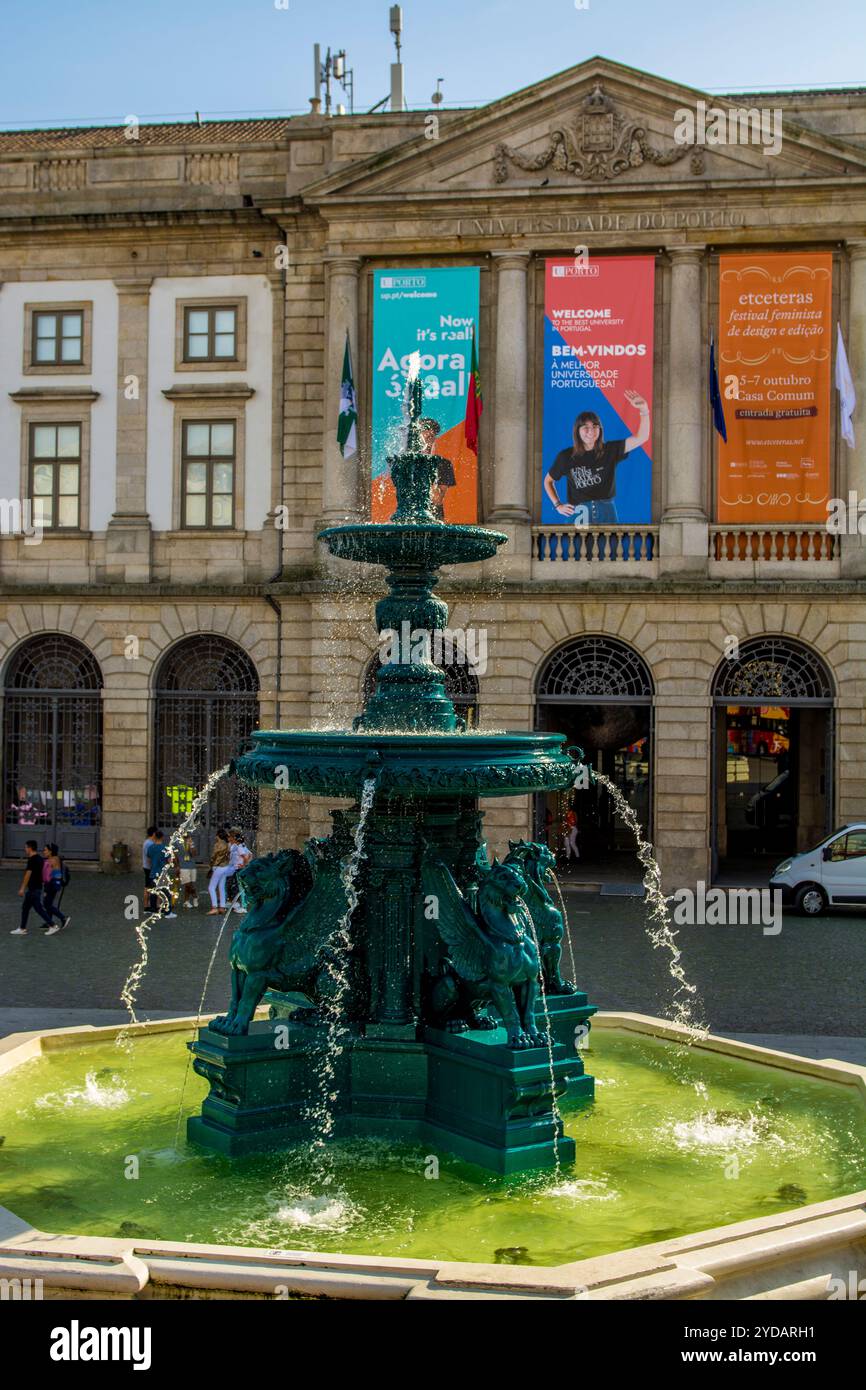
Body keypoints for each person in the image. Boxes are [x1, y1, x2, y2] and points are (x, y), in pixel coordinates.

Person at [543, 390, 650, 526]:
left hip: (607, 511)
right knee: (575, 547)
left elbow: (642, 437)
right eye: (585, 427)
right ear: (577, 430)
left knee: (610, 547)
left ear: (600, 430)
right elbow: (548, 481)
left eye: (595, 426)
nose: (591, 431)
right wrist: (558, 505)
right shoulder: (566, 456)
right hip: (579, 513)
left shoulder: (610, 450)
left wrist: (644, 410)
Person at [11, 839, 60, 936]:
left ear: (30, 848)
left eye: (25, 847)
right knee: (26, 908)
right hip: (37, 887)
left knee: (38, 909)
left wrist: (22, 888)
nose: (25, 849)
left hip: (33, 889)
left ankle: (53, 925)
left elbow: (28, 874)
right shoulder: (40, 859)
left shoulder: (32, 860)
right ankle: (22, 928)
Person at [418, 417, 455, 521]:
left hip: (434, 518)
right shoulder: (408, 462)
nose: (429, 433)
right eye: (425, 429)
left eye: (432, 430)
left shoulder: (444, 464)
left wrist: (430, 465)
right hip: (411, 515)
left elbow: (437, 499)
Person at [146, 829, 176, 919]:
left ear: (155, 837)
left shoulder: (151, 847)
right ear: (162, 837)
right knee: (167, 895)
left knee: (153, 893)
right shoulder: (165, 848)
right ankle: (168, 913)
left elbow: (149, 858)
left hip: (153, 873)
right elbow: (169, 861)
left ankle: (153, 911)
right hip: (162, 874)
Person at [41, 842, 71, 930]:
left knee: (47, 904)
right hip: (50, 884)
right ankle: (49, 922)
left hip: (51, 885)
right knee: (48, 903)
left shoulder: (53, 860)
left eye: (45, 850)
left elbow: (56, 874)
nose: (44, 852)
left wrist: (52, 884)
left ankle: (63, 918)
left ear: (50, 851)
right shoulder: (51, 859)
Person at [225, 828, 253, 913]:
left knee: (238, 887)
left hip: (238, 869)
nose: (228, 838)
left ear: (234, 838)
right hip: (233, 869)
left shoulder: (240, 846)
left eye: (230, 837)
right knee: (230, 885)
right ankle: (232, 902)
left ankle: (242, 906)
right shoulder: (234, 846)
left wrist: (244, 864)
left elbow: (248, 855)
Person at [207, 829, 232, 915]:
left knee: (211, 887)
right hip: (226, 867)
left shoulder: (218, 845)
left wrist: (210, 865)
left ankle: (214, 907)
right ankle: (222, 907)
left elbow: (213, 857)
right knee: (221, 887)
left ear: (218, 836)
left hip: (218, 867)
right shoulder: (227, 845)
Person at [178, 833, 198, 910]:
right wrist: (177, 866)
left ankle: (186, 901)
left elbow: (194, 854)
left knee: (190, 884)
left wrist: (191, 846)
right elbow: (175, 855)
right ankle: (195, 896)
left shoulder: (191, 842)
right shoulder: (178, 842)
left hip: (192, 866)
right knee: (187, 884)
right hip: (183, 866)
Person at [142, 824, 157, 910]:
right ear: (154, 834)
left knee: (148, 886)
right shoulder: (149, 843)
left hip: (147, 866)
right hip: (149, 867)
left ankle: (147, 905)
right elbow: (150, 856)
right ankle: (147, 905)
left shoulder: (147, 842)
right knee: (149, 887)